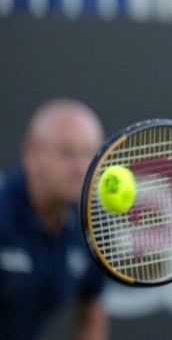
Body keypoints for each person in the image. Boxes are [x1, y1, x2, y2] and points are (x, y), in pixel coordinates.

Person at [0, 98, 108, 339]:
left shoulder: (90, 228)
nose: (81, 167)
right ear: (31, 153)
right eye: (67, 153)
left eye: (89, 153)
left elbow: (90, 318)